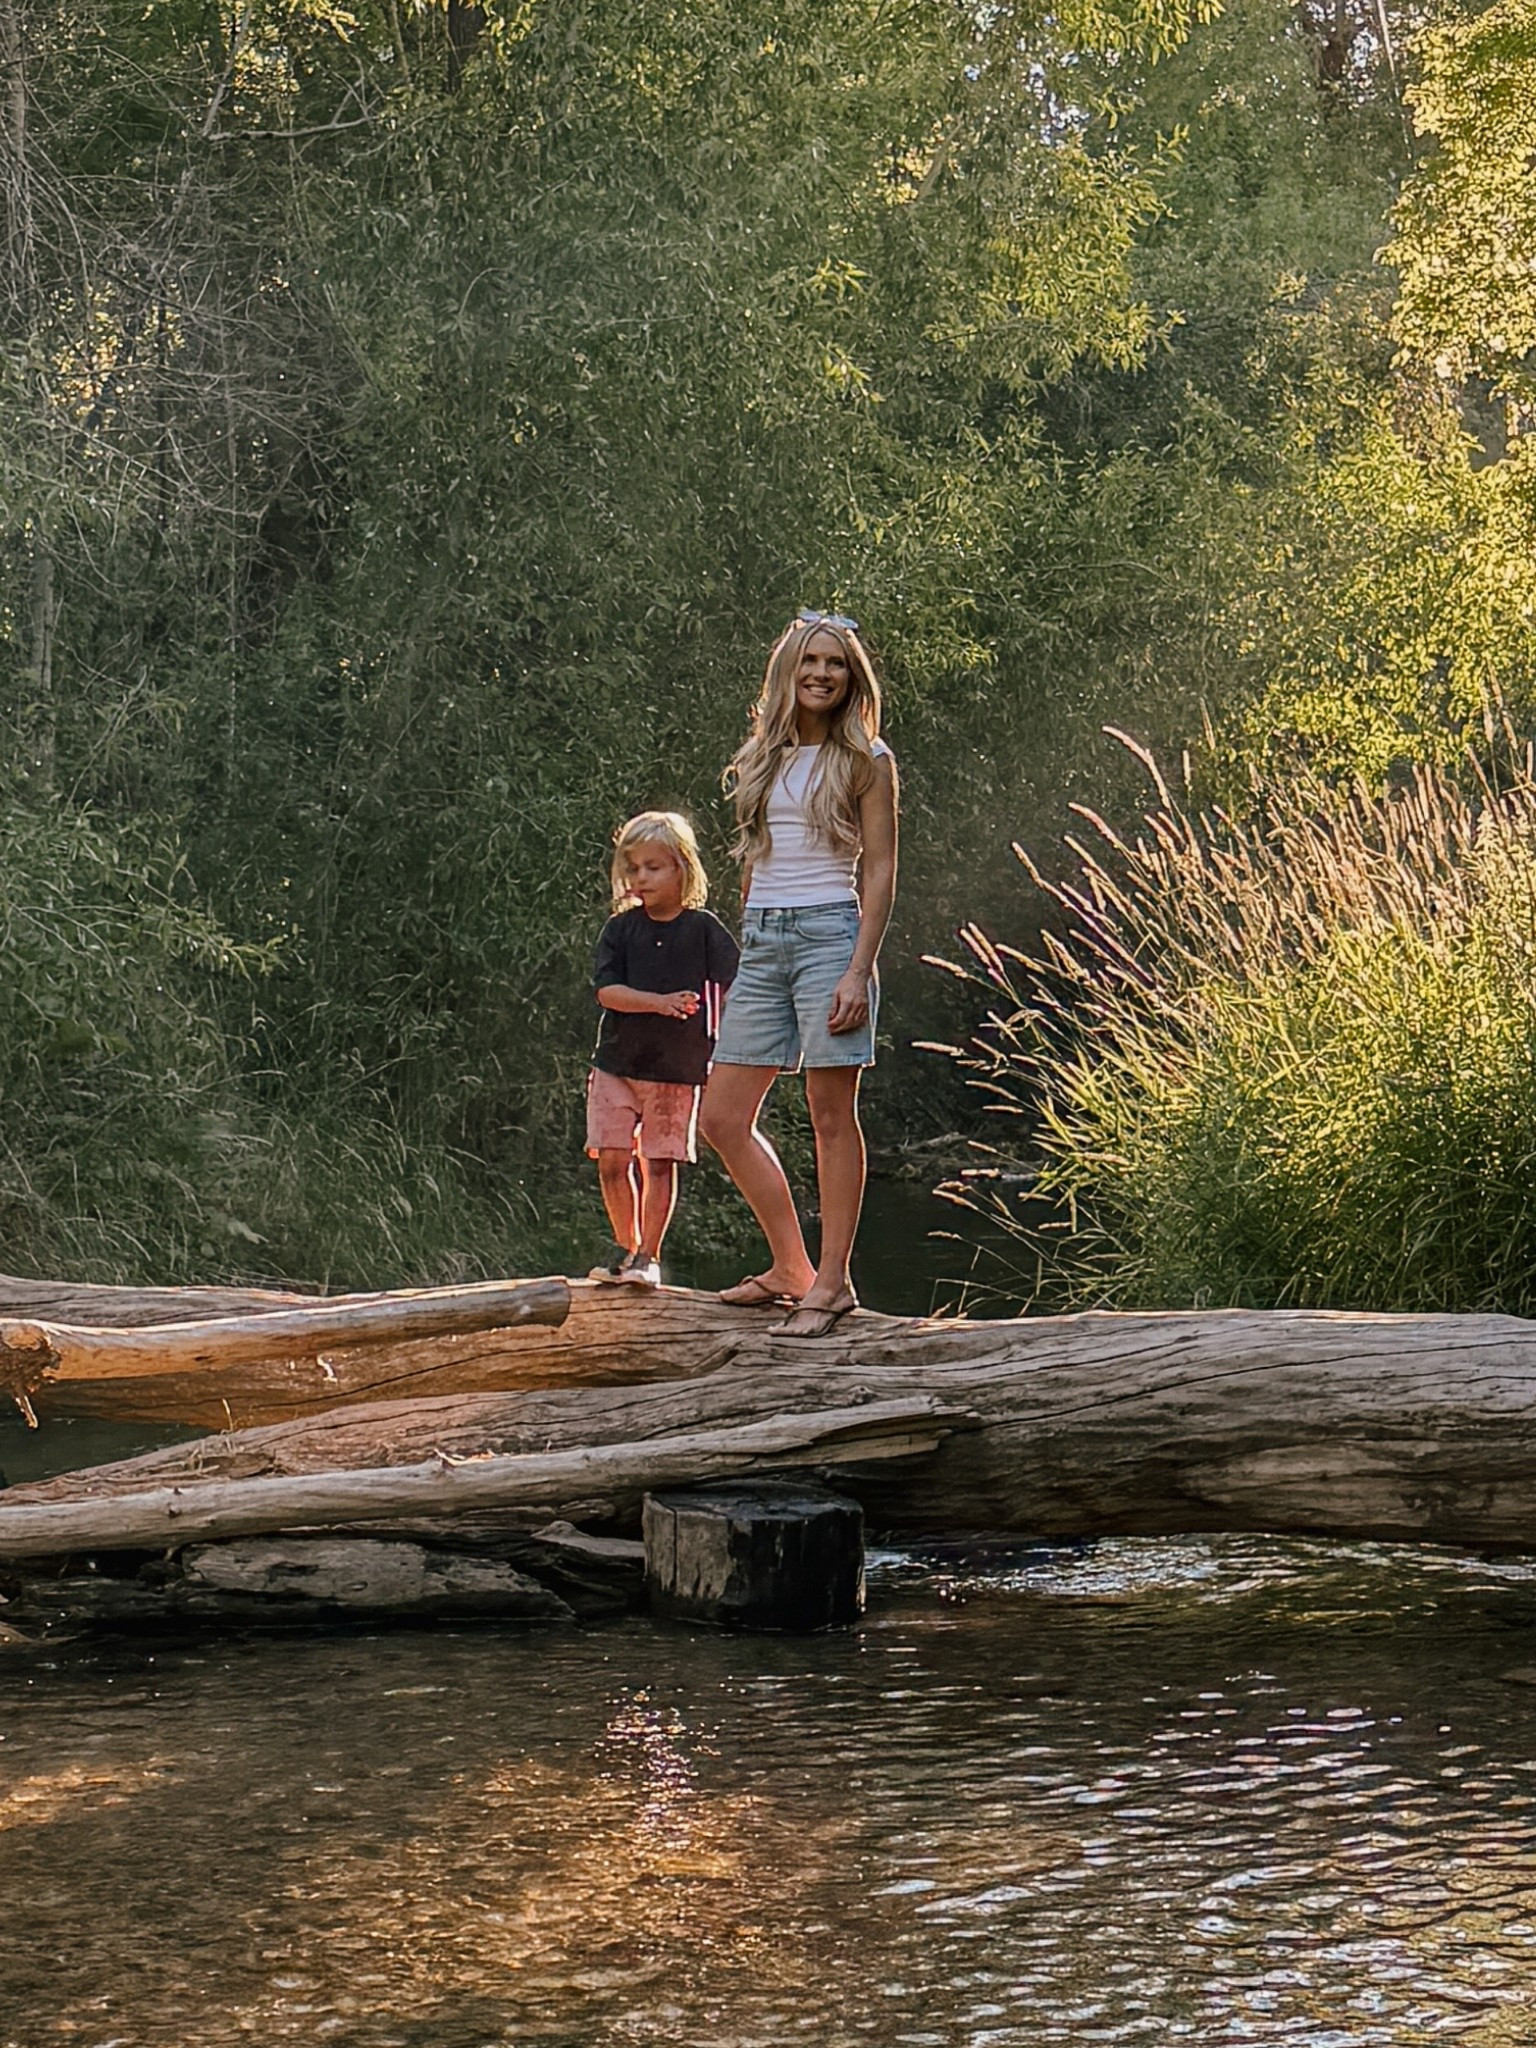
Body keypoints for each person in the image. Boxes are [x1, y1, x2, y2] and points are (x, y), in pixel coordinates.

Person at [700, 609, 898, 1337]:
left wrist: (857, 969)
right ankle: (791, 1267)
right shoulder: (766, 753)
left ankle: (835, 1282)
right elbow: (760, 855)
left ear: (852, 679)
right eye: (810, 661)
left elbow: (880, 870)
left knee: (827, 1114)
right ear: (788, 671)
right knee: (720, 1118)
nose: (821, 673)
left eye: (836, 663)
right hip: (766, 942)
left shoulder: (866, 758)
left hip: (828, 937)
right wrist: (750, 938)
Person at [587, 811, 739, 1287]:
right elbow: (606, 992)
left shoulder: (704, 928)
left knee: (659, 1162)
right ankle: (624, 1245)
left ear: (682, 868)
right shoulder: (620, 928)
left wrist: (729, 1051)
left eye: (653, 867)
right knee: (612, 1160)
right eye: (633, 868)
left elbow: (737, 988)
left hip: (676, 1069)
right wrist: (659, 1003)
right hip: (615, 1063)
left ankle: (647, 1257)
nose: (641, 878)